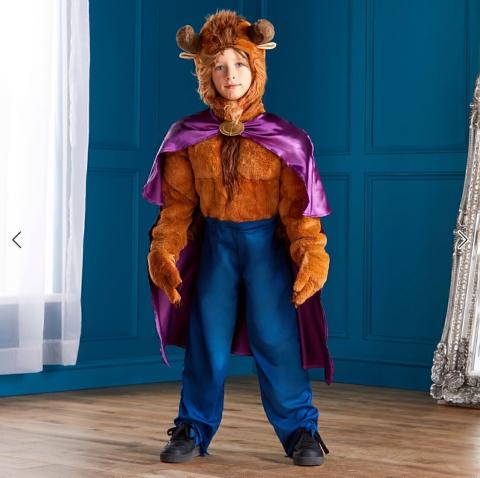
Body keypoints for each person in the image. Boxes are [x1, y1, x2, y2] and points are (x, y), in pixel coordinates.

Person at [142, 9, 334, 467]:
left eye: (240, 63)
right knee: (206, 339)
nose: (230, 75)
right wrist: (164, 248)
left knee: (276, 339)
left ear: (257, 66)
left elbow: (299, 212)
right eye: (218, 66)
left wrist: (311, 253)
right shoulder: (187, 138)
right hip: (217, 249)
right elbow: (177, 208)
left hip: (265, 249)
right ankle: (193, 427)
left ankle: (300, 430)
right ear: (204, 73)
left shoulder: (286, 139)